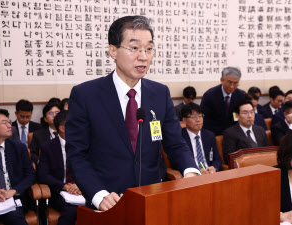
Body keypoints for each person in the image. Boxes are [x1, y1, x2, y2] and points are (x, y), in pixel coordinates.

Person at [65, 16, 199, 212]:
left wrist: (190, 171)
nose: (143, 56)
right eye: (134, 48)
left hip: (153, 199)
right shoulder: (85, 95)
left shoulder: (160, 93)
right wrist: (98, 195)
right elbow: (77, 155)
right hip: (108, 204)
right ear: (113, 50)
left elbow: (175, 143)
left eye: (149, 49)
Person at [0, 109, 35, 225]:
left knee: (16, 219)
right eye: (4, 123)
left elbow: (30, 175)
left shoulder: (18, 148)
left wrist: (13, 191)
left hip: (12, 199)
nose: (10, 125)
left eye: (8, 122)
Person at [37, 111, 79, 225]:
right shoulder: (48, 148)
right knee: (71, 210)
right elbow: (43, 175)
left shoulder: (85, 145)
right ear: (63, 128)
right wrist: (64, 186)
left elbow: (94, 169)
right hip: (60, 192)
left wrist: (81, 185)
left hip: (84, 190)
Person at [201, 67, 245, 135]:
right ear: (222, 80)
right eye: (229, 82)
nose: (232, 87)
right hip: (214, 134)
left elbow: (237, 117)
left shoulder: (241, 95)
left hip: (234, 134)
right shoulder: (209, 95)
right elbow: (205, 121)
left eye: (235, 83)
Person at [181, 103, 222, 174]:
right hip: (191, 176)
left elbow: (217, 159)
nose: (198, 120)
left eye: (200, 116)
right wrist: (195, 171)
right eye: (193, 117)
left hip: (209, 174)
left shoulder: (209, 135)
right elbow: (178, 162)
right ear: (184, 120)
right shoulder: (180, 137)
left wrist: (214, 167)